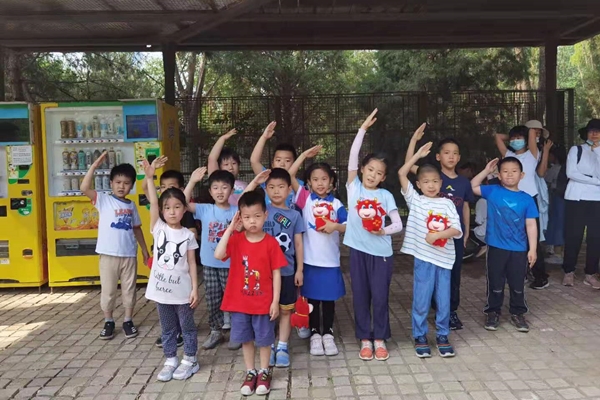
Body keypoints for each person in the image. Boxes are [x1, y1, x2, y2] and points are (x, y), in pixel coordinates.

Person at [344, 109, 403, 361]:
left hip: (381, 254)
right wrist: (362, 130)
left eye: (379, 173)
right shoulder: (353, 188)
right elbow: (352, 157)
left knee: (379, 297)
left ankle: (379, 338)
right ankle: (365, 339)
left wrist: (382, 230)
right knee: (360, 297)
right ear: (362, 169)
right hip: (358, 252)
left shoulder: (385, 196)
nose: (373, 175)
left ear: (384, 177)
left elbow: (398, 224)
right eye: (370, 169)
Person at [215, 192, 287, 396]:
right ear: (240, 217)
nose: (252, 221)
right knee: (245, 339)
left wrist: (275, 301)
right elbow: (218, 254)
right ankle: (250, 372)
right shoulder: (236, 240)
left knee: (264, 339)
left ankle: (264, 372)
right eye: (246, 217)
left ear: (265, 215)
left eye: (257, 216)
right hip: (240, 303)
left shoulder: (271, 243)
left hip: (263, 303)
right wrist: (231, 228)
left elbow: (277, 273)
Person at [406, 125, 474, 330]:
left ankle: (451, 311)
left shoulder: (463, 182)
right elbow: (408, 167)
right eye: (446, 152)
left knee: (453, 274)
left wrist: (466, 231)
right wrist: (414, 141)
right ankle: (433, 309)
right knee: (429, 276)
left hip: (453, 236)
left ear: (459, 157)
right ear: (438, 156)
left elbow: (465, 207)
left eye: (455, 153)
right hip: (429, 238)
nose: (451, 156)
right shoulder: (432, 177)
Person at [399, 141, 462, 358]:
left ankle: (443, 336)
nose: (431, 185)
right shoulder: (415, 201)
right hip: (424, 259)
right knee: (421, 299)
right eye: (426, 182)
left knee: (444, 301)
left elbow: (456, 229)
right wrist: (417, 155)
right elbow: (401, 173)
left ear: (441, 183)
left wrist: (437, 235)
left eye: (435, 181)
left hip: (444, 260)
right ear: (418, 184)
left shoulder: (447, 204)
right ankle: (420, 336)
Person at [142, 157, 200, 382]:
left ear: (185, 209)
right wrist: (150, 178)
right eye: (167, 208)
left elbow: (192, 264)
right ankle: (170, 360)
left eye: (177, 207)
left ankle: (190, 359)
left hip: (183, 293)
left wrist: (195, 289)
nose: (172, 212)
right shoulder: (158, 228)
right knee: (167, 328)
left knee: (187, 327)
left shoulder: (188, 235)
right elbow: (153, 202)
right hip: (161, 292)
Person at [80, 152, 149, 340]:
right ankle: (108, 321)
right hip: (108, 255)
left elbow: (137, 229)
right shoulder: (103, 200)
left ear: (131, 186)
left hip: (129, 255)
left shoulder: (132, 205)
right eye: (118, 182)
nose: (121, 186)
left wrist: (144, 250)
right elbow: (84, 187)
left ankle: (128, 320)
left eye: (126, 183)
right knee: (109, 290)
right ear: (111, 183)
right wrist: (94, 166)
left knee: (129, 290)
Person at [288, 146, 348, 357]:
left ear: (331, 182)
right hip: (310, 262)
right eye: (315, 179)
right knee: (312, 300)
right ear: (309, 183)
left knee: (329, 300)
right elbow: (290, 175)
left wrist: (335, 226)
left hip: (330, 262)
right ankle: (315, 333)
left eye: (324, 179)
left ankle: (328, 333)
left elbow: (348, 226)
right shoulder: (305, 199)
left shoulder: (337, 203)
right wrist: (303, 155)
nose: (320, 183)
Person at [243, 168, 305, 368]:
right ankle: (267, 346)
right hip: (261, 274)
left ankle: (283, 346)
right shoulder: (261, 211)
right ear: (265, 189)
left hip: (286, 271)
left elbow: (298, 244)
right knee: (266, 312)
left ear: (289, 189)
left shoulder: (295, 215)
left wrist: (299, 269)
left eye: (280, 187)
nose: (276, 191)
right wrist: (255, 182)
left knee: (286, 310)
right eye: (271, 187)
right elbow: (243, 203)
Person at [471, 157, 538, 332]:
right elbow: (473, 186)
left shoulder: (527, 199)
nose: (509, 174)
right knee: (495, 282)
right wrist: (486, 171)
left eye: (514, 171)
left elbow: (531, 225)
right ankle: (493, 312)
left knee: (517, 283)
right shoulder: (492, 191)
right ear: (499, 175)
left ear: (522, 175)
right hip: (496, 247)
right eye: (505, 171)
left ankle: (518, 313)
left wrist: (532, 249)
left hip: (519, 249)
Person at [184, 168, 240, 350]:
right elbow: (182, 203)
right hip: (209, 264)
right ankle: (216, 331)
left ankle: (237, 332)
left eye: (224, 187)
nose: (220, 191)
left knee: (232, 299)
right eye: (215, 188)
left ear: (232, 190)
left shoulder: (237, 211)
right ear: (210, 191)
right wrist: (192, 181)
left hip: (230, 264)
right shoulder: (205, 209)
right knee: (213, 299)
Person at [494, 125, 548, 290]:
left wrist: (525, 133)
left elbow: (531, 132)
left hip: (529, 199)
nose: (515, 141)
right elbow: (498, 136)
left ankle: (540, 276)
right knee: (512, 236)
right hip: (510, 200)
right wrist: (512, 136)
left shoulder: (532, 154)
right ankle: (518, 272)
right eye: (513, 139)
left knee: (532, 239)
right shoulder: (509, 155)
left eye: (519, 138)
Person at [561, 119, 600, 288]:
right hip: (576, 198)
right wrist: (596, 181)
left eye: (598, 131)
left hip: (597, 199)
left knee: (595, 237)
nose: (595, 134)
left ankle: (590, 273)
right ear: (586, 133)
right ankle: (569, 271)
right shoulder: (576, 150)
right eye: (591, 130)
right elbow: (571, 173)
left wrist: (597, 151)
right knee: (573, 235)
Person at [250, 121, 304, 209]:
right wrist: (264, 137)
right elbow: (254, 161)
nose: (282, 164)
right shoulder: (266, 178)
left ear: (295, 164)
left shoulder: (300, 184)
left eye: (287, 160)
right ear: (272, 163)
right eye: (278, 160)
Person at [536, 140, 566, 264]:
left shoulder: (555, 168)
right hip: (565, 198)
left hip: (556, 198)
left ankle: (557, 253)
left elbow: (544, 177)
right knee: (561, 223)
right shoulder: (566, 167)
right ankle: (559, 251)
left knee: (556, 223)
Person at [207, 128, 248, 205]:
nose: (231, 167)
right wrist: (222, 139)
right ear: (219, 166)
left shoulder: (245, 185)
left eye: (234, 163)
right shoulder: (217, 179)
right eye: (226, 164)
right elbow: (212, 159)